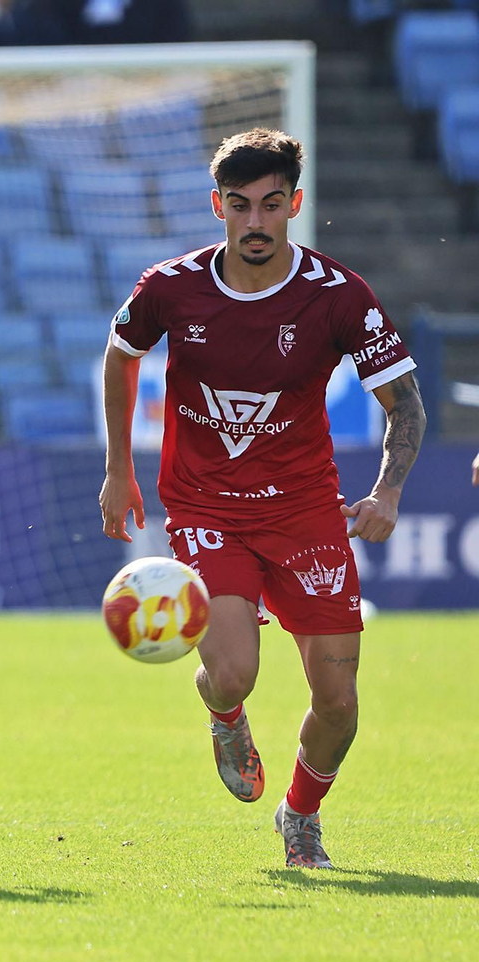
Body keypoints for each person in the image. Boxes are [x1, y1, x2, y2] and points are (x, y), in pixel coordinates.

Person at [99, 128, 424, 869]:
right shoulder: (170, 287)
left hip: (307, 511)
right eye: (240, 205)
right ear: (218, 205)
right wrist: (120, 468)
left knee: (340, 704)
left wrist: (388, 491)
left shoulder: (338, 296)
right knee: (236, 669)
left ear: (294, 205)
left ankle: (300, 816)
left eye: (271, 205)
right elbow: (121, 353)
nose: (255, 222)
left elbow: (406, 405)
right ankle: (224, 711)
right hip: (207, 508)